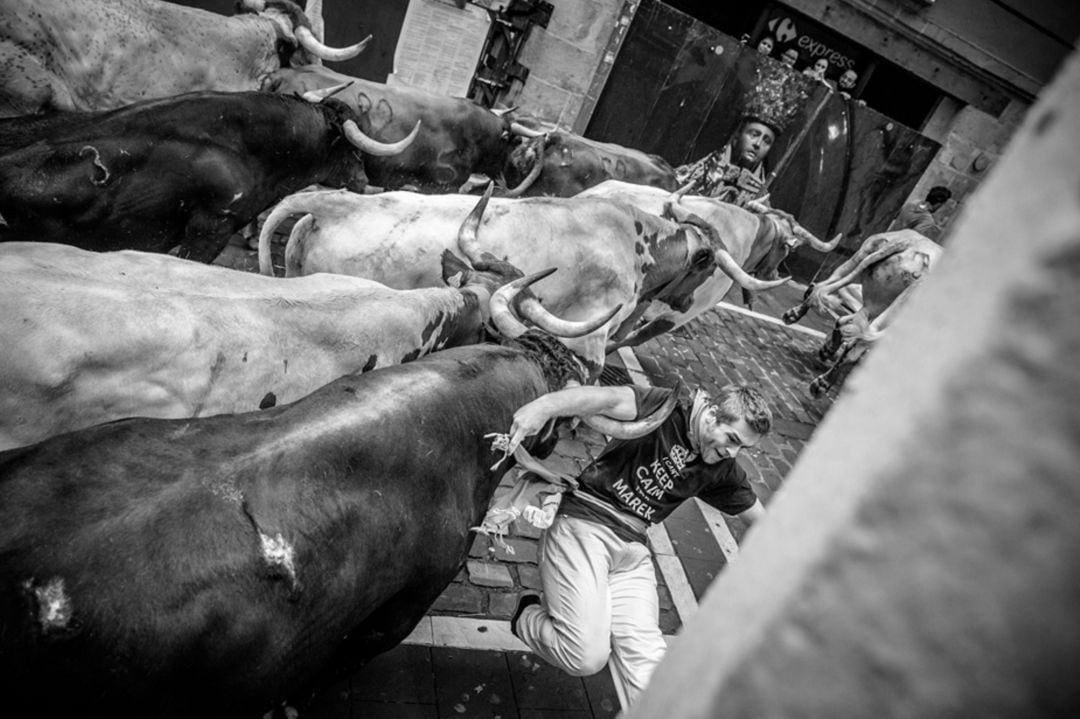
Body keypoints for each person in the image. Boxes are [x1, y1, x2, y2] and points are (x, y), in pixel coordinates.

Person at [504, 382, 772, 710]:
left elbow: (765, 524)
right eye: (732, 439)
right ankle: (525, 616)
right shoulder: (663, 408)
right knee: (585, 656)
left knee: (648, 669)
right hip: (586, 523)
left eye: (743, 448)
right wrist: (542, 407)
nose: (733, 452)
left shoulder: (721, 469)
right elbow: (600, 398)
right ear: (713, 414)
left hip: (633, 550)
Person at [673, 118, 776, 204]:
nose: (757, 144)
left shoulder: (759, 197)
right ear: (738, 134)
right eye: (754, 135)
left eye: (766, 141)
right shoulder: (702, 171)